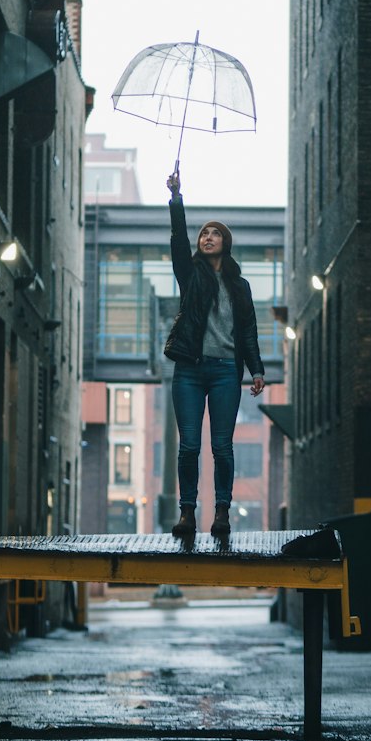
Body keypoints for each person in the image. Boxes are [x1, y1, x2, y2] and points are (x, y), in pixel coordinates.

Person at [163, 169, 266, 539]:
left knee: (222, 446)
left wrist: (256, 370)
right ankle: (187, 513)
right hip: (189, 370)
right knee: (189, 445)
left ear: (226, 242)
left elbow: (248, 331)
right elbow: (178, 239)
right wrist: (176, 197)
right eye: (204, 233)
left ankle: (222, 511)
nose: (208, 237)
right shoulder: (190, 275)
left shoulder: (240, 286)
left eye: (215, 233)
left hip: (226, 371)